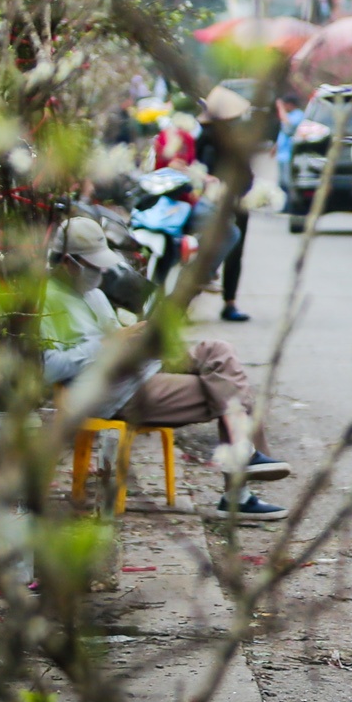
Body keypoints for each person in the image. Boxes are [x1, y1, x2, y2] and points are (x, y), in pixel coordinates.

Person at [42, 217, 291, 520]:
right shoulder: (46, 300)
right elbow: (49, 368)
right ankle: (238, 484)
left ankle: (243, 456)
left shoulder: (92, 294)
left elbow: (115, 334)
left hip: (137, 365)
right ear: (68, 262)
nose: (99, 273)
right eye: (92, 266)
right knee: (225, 389)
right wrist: (106, 345)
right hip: (114, 391)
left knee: (218, 352)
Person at [195, 85, 253, 322]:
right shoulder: (224, 139)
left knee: (207, 250)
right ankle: (229, 302)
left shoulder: (203, 136)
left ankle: (187, 303)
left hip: (213, 199)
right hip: (227, 200)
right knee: (232, 253)